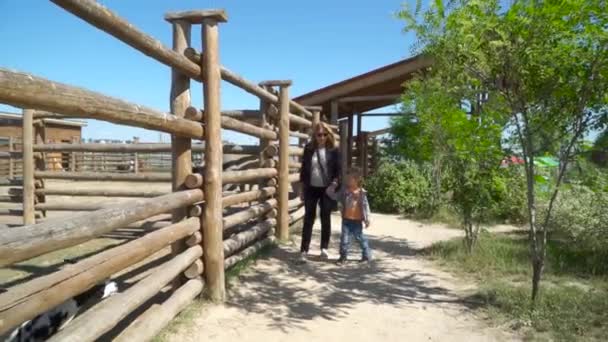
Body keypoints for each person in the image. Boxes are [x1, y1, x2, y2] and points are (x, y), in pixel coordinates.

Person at [299, 122, 341, 262]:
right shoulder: (309, 148)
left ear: (328, 135)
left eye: (324, 134)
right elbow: (304, 169)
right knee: (308, 219)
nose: (321, 137)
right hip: (311, 187)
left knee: (325, 217)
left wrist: (334, 184)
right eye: (319, 134)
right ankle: (304, 250)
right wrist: (301, 189)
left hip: (326, 188)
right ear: (314, 135)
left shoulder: (333, 150)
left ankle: (324, 248)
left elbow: (338, 170)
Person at [326, 167, 372, 264]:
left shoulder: (361, 193)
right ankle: (343, 257)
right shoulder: (344, 191)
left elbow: (366, 207)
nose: (347, 180)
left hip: (357, 221)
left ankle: (366, 255)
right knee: (344, 239)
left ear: (356, 180)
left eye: (349, 179)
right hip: (346, 220)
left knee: (360, 238)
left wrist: (367, 219)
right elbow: (332, 195)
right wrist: (333, 185)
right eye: (346, 178)